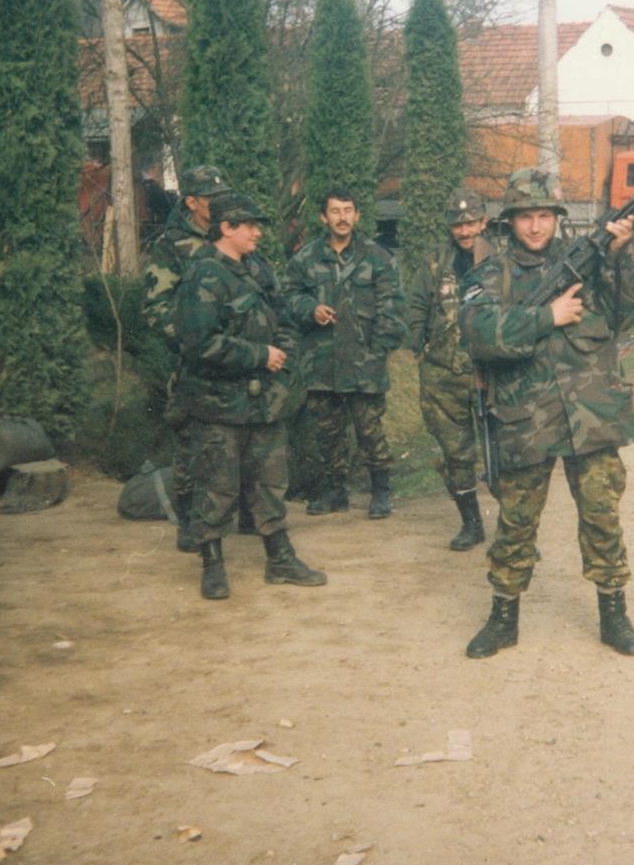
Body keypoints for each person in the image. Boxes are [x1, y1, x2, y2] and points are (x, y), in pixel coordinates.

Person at [458, 168, 634, 658]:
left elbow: (624, 312)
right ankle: (503, 618)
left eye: (544, 215)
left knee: (602, 515)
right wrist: (548, 317)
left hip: (591, 413)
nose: (536, 226)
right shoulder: (490, 274)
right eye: (526, 217)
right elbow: (478, 331)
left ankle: (614, 614)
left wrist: (622, 255)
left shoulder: (588, 260)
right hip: (526, 419)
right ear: (510, 221)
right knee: (516, 522)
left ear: (557, 218)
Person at [172, 193, 326, 600]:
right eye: (250, 225)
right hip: (219, 404)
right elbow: (199, 344)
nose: (258, 233)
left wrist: (284, 356)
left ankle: (280, 559)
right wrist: (259, 355)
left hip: (264, 402)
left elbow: (284, 317)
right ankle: (212, 566)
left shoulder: (258, 268)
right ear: (226, 228)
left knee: (271, 482)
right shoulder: (204, 275)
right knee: (217, 486)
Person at [282, 187, 406, 519]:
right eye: (335, 211)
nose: (342, 217)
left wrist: (378, 352)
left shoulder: (378, 257)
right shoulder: (305, 259)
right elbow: (288, 297)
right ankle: (335, 491)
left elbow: (392, 308)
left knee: (370, 430)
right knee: (327, 432)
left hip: (364, 361)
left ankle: (381, 491)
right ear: (323, 217)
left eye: (348, 210)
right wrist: (310, 309)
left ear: (357, 215)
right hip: (321, 362)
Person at [143, 164, 233, 550]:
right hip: (194, 362)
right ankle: (188, 520)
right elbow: (155, 306)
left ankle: (245, 514)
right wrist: (190, 341)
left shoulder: (231, 236)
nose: (219, 204)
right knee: (191, 444)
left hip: (235, 358)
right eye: (211, 199)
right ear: (192, 202)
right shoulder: (172, 246)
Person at [406, 187, 491, 550]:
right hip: (443, 375)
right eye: (457, 224)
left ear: (483, 222)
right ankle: (471, 524)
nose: (465, 231)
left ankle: (516, 529)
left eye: (471, 222)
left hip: (491, 374)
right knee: (457, 453)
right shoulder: (434, 262)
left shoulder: (500, 259)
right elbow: (415, 307)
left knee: (503, 451)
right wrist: (420, 350)